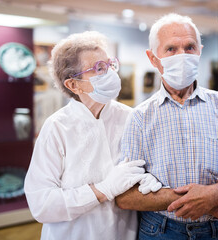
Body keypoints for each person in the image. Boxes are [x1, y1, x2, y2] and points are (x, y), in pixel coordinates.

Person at [116, 13, 218, 240]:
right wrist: (200, 201)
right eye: (171, 49)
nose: (182, 55)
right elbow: (126, 196)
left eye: (189, 47)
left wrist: (216, 194)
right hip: (161, 230)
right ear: (153, 58)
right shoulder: (140, 117)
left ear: (199, 50)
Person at [24, 31, 161, 240]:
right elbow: (42, 204)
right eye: (99, 68)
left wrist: (149, 179)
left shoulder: (129, 117)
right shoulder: (57, 128)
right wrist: (102, 190)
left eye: (109, 65)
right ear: (73, 84)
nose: (110, 73)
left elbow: (141, 172)